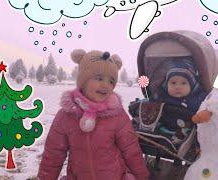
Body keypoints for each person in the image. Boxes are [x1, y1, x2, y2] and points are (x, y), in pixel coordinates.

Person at [37, 49, 149, 180]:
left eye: (111, 81)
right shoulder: (66, 115)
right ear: (83, 81)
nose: (105, 85)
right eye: (99, 78)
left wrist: (142, 176)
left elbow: (131, 150)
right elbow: (54, 153)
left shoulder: (117, 115)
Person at [158, 57, 207, 143]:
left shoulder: (196, 99)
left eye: (183, 83)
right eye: (173, 83)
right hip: (162, 129)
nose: (177, 87)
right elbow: (150, 102)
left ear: (192, 86)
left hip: (186, 131)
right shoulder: (162, 96)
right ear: (167, 85)